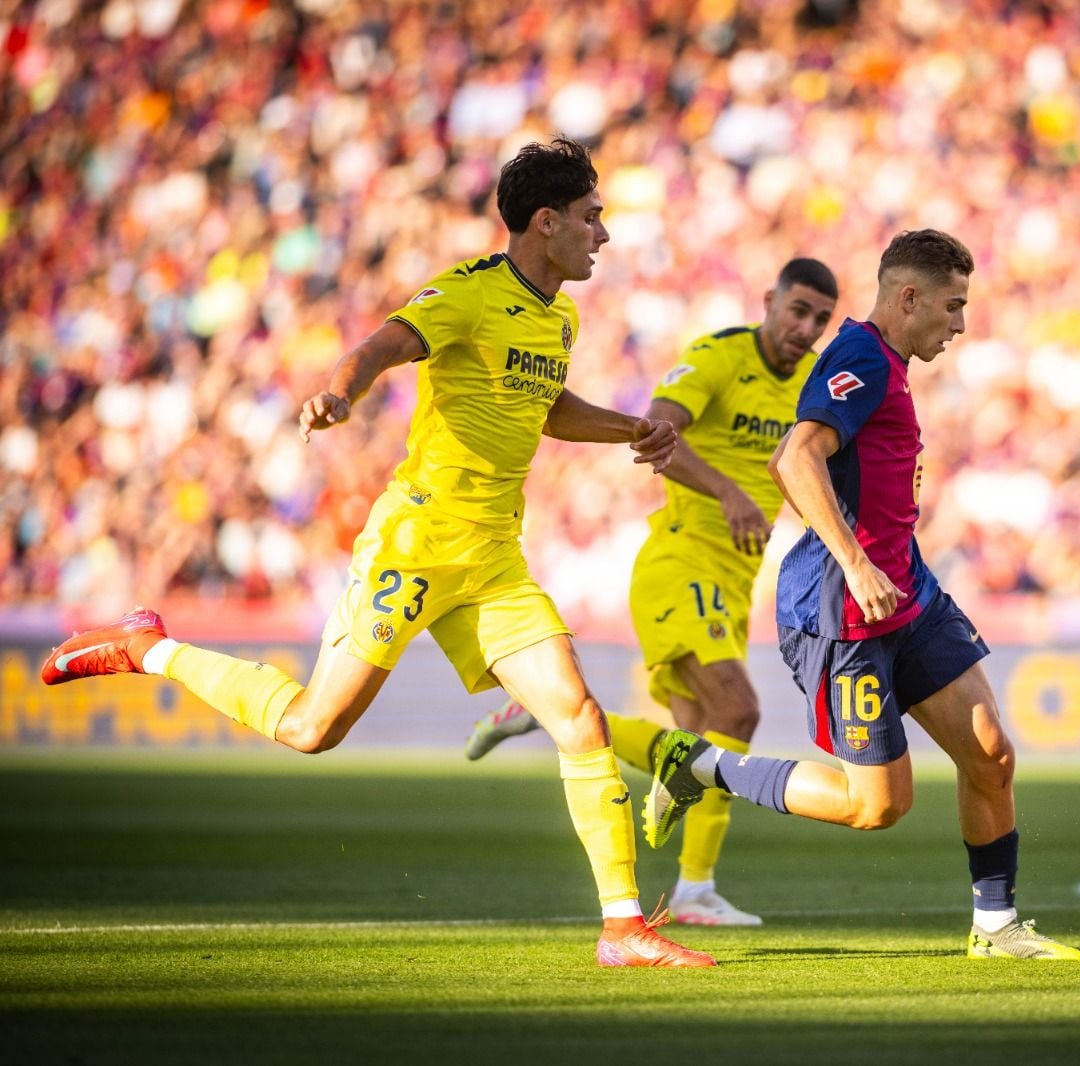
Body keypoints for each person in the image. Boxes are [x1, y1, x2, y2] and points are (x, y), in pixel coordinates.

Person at [38, 138, 715, 967]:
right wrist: (339, 392)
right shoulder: (468, 295)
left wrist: (630, 427)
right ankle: (152, 649)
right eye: (592, 217)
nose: (603, 234)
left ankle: (622, 929)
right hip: (417, 543)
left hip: (494, 556)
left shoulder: (559, 314)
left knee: (579, 718)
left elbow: (546, 407)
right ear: (547, 223)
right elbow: (385, 345)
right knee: (311, 727)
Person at [642, 229, 1080, 960]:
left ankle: (997, 928)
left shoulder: (890, 364)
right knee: (876, 807)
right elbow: (795, 456)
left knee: (990, 752)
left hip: (906, 589)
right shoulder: (858, 356)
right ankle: (698, 763)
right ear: (907, 296)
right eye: (953, 305)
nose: (961, 324)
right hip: (844, 606)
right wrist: (854, 562)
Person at [461, 257, 841, 926]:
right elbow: (656, 436)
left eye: (818, 318)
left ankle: (551, 717)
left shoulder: (811, 384)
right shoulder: (720, 357)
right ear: (769, 300)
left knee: (702, 743)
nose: (804, 327)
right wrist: (727, 492)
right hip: (679, 562)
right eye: (797, 309)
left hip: (732, 581)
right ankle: (694, 889)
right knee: (739, 712)